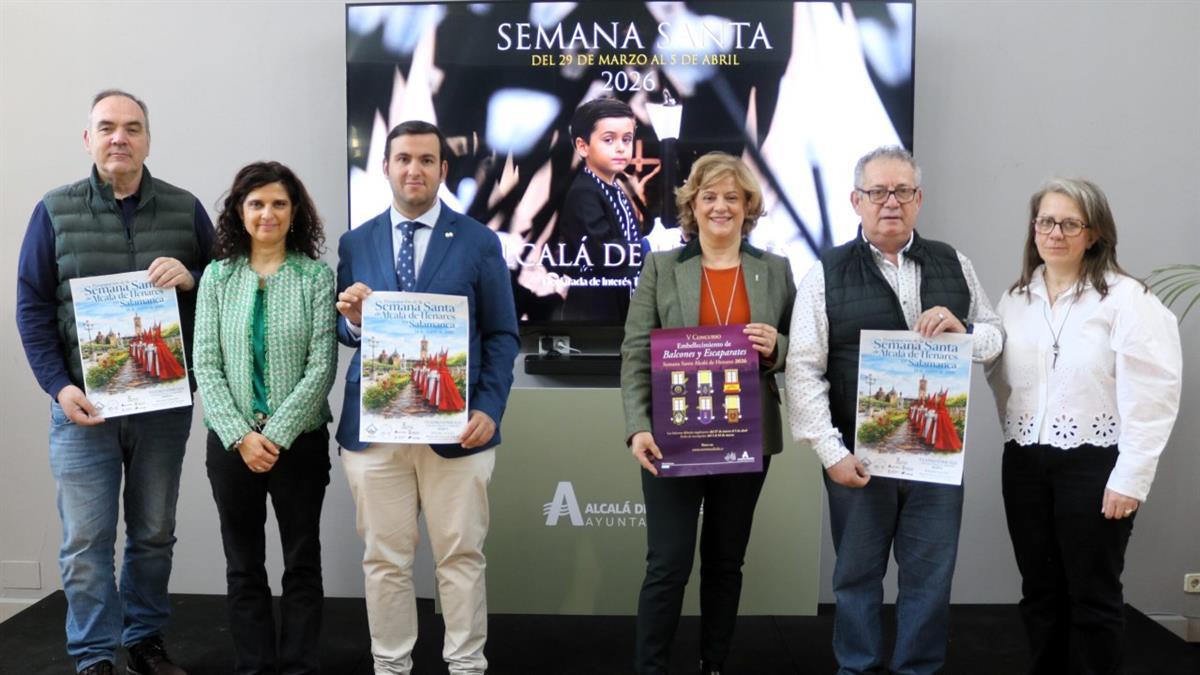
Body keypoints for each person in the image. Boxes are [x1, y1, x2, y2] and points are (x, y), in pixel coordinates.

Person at [15, 89, 213, 675]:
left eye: (131, 128)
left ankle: (145, 641)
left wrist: (194, 275)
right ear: (88, 139)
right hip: (82, 408)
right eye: (106, 127)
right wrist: (57, 385)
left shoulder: (185, 209)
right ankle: (94, 654)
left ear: (148, 139)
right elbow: (30, 305)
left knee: (154, 533)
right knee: (85, 542)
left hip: (162, 407)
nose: (119, 138)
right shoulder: (54, 210)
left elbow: (227, 287)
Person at [785, 145, 1002, 675]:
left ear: (919, 199)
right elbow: (802, 369)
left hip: (935, 460)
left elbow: (997, 340)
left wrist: (965, 332)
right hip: (857, 460)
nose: (891, 202)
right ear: (856, 201)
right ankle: (855, 669)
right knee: (856, 579)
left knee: (929, 580)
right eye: (878, 192)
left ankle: (917, 670)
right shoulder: (826, 272)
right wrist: (831, 453)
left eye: (902, 191)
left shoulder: (956, 263)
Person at [335, 120, 520, 675]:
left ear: (443, 169)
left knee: (460, 558)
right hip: (376, 432)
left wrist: (489, 408)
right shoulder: (356, 241)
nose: (413, 169)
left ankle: (466, 666)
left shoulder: (479, 241)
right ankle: (391, 667)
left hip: (458, 428)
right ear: (386, 167)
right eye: (402, 159)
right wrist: (353, 321)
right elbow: (348, 333)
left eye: (425, 160)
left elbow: (504, 334)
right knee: (385, 561)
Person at [986, 178, 1182, 674]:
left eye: (1070, 223)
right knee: (1039, 590)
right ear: (1034, 230)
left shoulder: (1127, 299)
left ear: (1093, 234)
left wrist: (1131, 476)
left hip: (1095, 463)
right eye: (1046, 221)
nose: (1055, 233)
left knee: (1092, 595)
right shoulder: (1015, 299)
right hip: (1025, 460)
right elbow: (998, 374)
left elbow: (1154, 393)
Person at [621, 152, 796, 675]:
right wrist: (636, 427)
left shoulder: (776, 270)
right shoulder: (661, 267)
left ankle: (712, 664)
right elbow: (634, 351)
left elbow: (805, 347)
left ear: (748, 208)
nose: (720, 207)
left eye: (732, 198)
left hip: (747, 438)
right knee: (668, 564)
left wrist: (778, 346)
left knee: (724, 563)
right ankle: (649, 668)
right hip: (672, 438)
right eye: (709, 197)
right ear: (692, 207)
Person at [193, 162, 337, 674]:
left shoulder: (315, 277)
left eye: (279, 203)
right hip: (231, 448)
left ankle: (298, 666)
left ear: (295, 211)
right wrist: (240, 436)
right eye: (256, 203)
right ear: (239, 210)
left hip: (300, 443)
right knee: (243, 565)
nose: (267, 213)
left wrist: (273, 434)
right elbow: (205, 365)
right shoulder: (216, 277)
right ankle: (254, 666)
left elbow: (322, 367)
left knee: (301, 563)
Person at [558, 97, 644, 322]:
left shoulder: (613, 187)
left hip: (620, 301)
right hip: (594, 310)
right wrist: (648, 248)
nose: (620, 147)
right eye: (608, 139)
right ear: (582, 146)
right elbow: (604, 253)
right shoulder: (584, 193)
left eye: (627, 139)